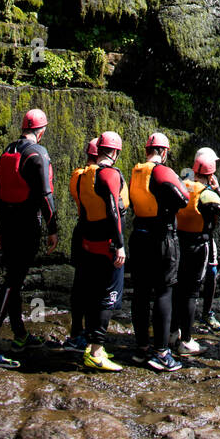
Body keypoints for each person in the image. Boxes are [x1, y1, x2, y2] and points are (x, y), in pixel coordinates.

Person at [0, 108, 58, 369]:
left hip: (9, 225)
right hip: (25, 226)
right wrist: (52, 227)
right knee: (12, 281)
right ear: (41, 130)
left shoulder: (8, 151)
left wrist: (0, 230)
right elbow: (46, 194)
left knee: (15, 278)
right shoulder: (38, 154)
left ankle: (20, 335)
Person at [129, 131, 188, 372]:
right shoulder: (162, 170)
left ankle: (142, 347)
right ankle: (162, 352)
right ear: (163, 152)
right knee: (164, 291)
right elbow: (184, 198)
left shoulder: (136, 171)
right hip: (161, 237)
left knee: (141, 293)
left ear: (146, 150)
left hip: (139, 235)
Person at [77, 130, 127, 373]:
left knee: (92, 295)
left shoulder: (85, 174)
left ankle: (90, 345)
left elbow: (85, 213)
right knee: (108, 298)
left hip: (89, 243)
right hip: (107, 246)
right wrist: (119, 244)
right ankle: (97, 351)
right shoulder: (110, 174)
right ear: (115, 152)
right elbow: (113, 211)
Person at [172, 148, 220, 354]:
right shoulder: (206, 194)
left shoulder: (180, 185)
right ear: (211, 174)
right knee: (191, 292)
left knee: (177, 288)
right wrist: (218, 190)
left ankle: (173, 333)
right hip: (198, 245)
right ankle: (186, 340)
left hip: (178, 243)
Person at [63, 136, 99, 352]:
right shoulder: (98, 176)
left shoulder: (77, 175)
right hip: (95, 232)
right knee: (95, 286)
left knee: (79, 284)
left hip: (80, 229)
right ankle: (89, 335)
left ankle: (76, 331)